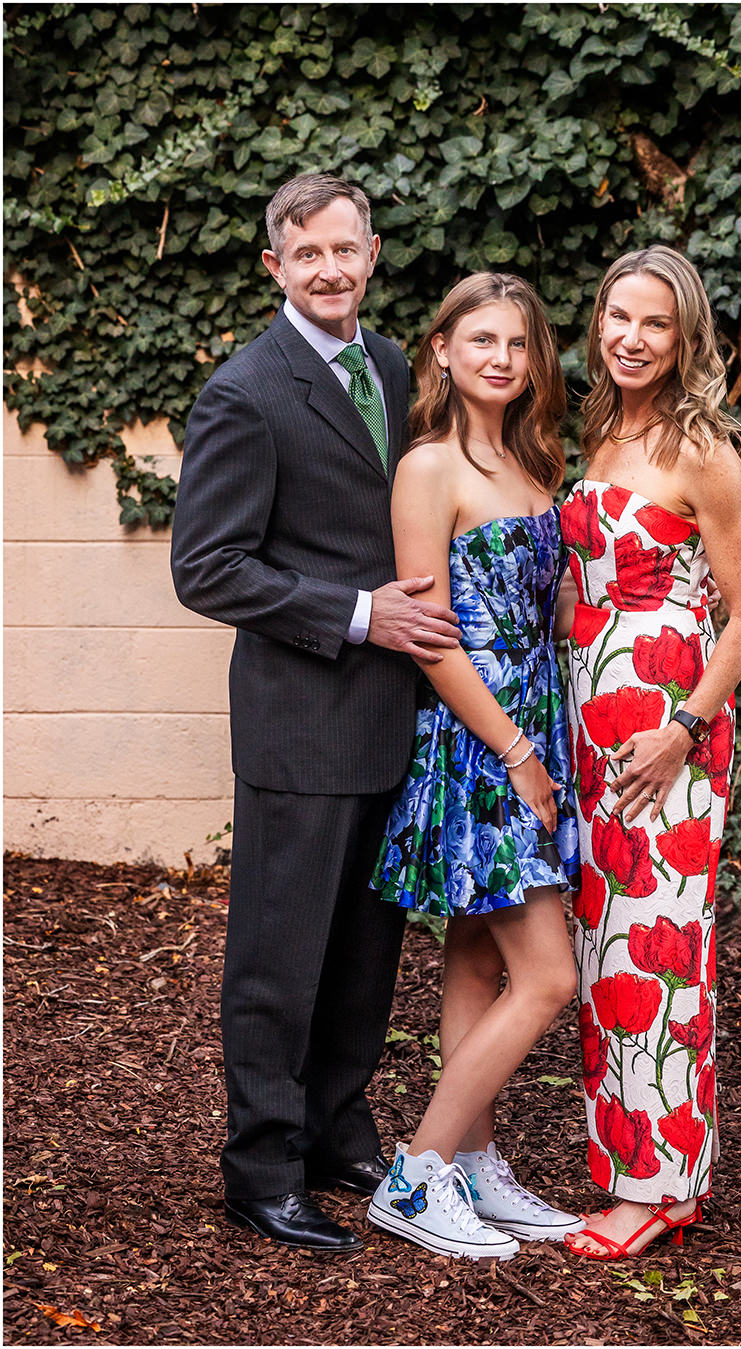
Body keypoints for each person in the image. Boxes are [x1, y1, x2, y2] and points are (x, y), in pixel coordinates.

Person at [170, 173, 463, 1252]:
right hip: (301, 718)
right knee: (279, 956)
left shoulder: (390, 365)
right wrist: (352, 614)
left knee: (365, 951)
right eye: (309, 257)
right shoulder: (246, 391)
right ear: (275, 269)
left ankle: (338, 1128)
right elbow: (206, 567)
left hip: (393, 715)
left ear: (372, 251)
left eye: (346, 250)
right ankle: (260, 1166)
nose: (331, 270)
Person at [558, 245, 741, 1260]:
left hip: (666, 740)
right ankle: (641, 1168)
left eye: (654, 324)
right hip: (592, 730)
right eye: (617, 318)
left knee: (660, 953)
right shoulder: (600, 428)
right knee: (606, 954)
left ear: (685, 337)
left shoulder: (702, 449)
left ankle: (653, 1187)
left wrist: (683, 727)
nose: (631, 338)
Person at [366, 273, 584, 1259]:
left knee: (477, 955)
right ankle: (416, 1177)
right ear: (441, 351)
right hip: (485, 742)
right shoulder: (428, 468)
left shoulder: (534, 463)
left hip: (541, 731)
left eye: (519, 342)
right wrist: (516, 749)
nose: (501, 356)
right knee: (548, 976)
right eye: (479, 338)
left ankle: (475, 1161)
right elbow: (431, 636)